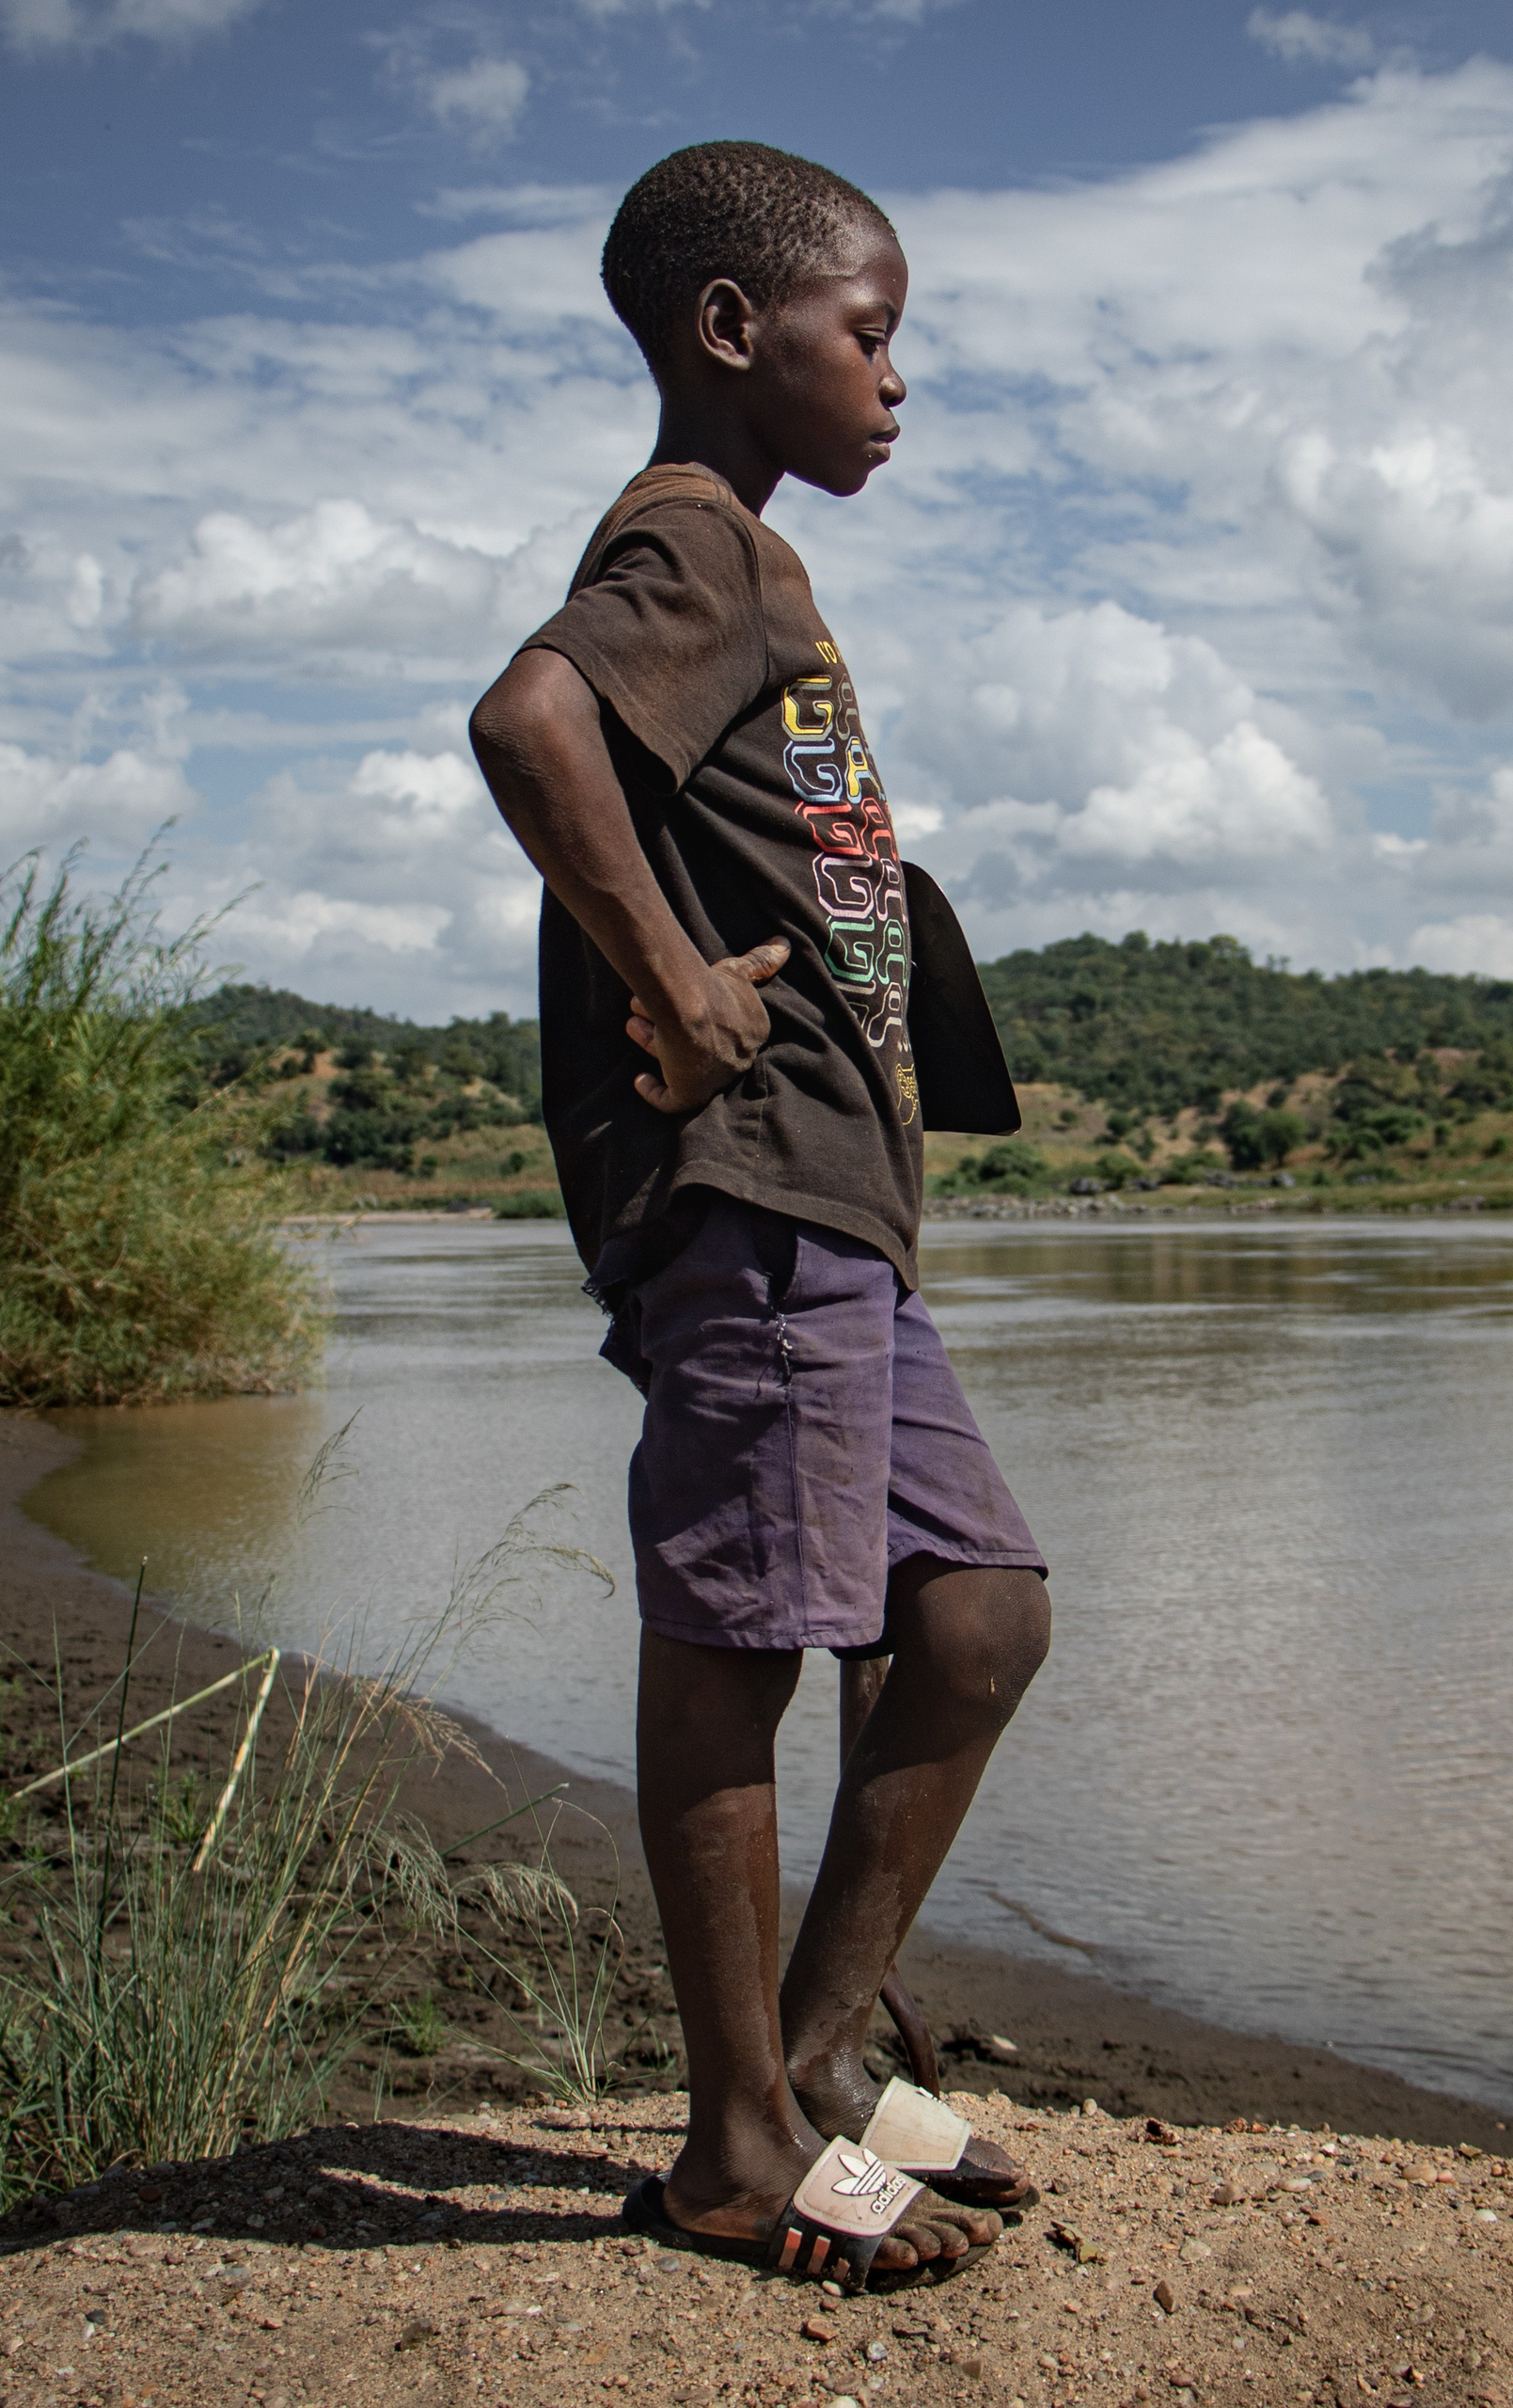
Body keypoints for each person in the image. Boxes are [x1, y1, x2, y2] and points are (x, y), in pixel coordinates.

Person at [468, 140, 1052, 2289]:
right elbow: (528, 720)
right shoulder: (691, 534)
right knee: (741, 1631)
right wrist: (673, 984)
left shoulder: (754, 564)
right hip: (749, 1196)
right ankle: (731, 2142)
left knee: (973, 1614)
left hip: (836, 1210)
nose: (894, 381)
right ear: (737, 332)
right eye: (869, 334)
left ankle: (811, 2057)